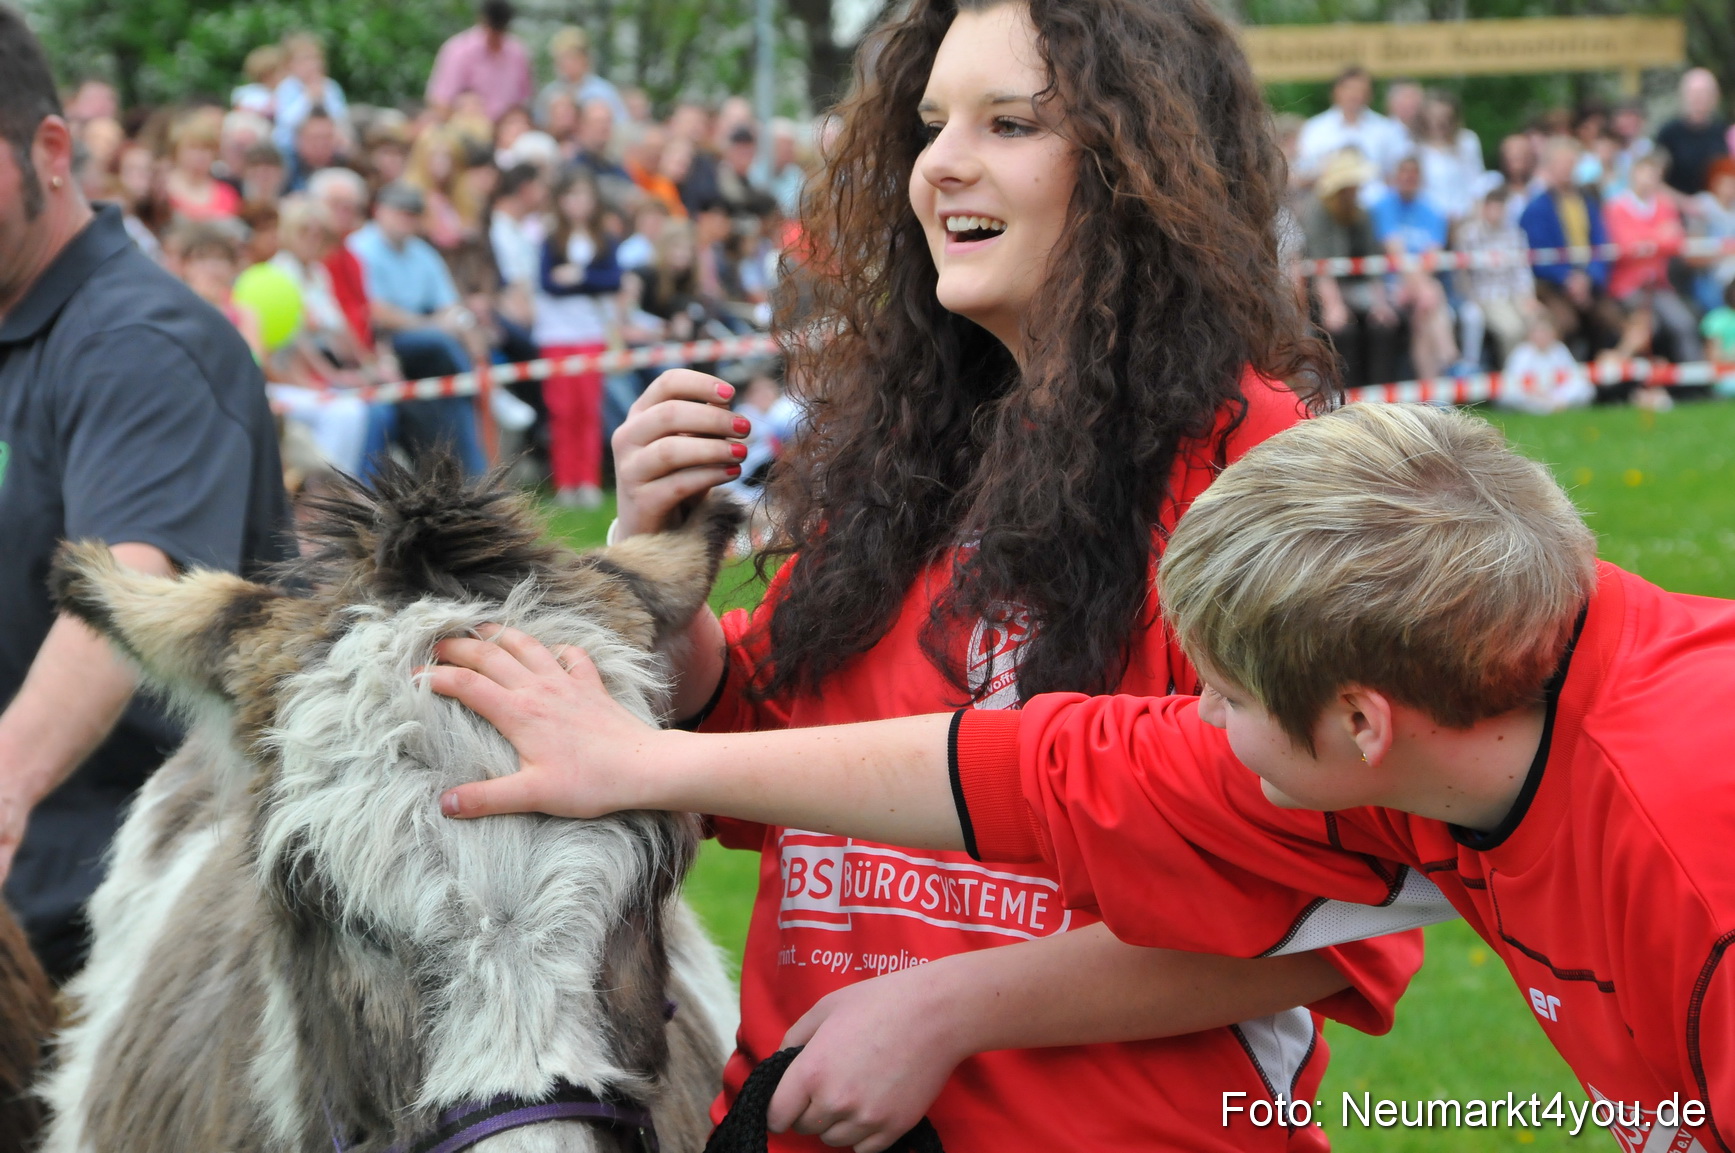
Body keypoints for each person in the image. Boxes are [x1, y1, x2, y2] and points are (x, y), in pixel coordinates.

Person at [432, 402, 1735, 1153]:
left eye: (1215, 701)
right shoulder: (1476, 694)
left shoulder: (1694, 851)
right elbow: (1037, 766)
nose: (1184, 730)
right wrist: (645, 753)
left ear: (1357, 723)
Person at [598, 3, 1425, 1151]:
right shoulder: (903, 445)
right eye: (932, 123)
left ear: (1148, 164)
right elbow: (756, 735)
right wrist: (655, 552)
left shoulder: (1263, 472)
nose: (941, 163)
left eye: (1011, 122)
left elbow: (1343, 898)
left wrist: (947, 1009)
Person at [0, 5, 290, 981]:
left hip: (109, 928)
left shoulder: (139, 346)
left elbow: (120, 593)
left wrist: (3, 786)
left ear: (49, 149)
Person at [346, 181, 488, 475]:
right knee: (443, 348)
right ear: (379, 211)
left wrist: (467, 330)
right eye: (400, 212)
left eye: (412, 214)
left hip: (425, 351)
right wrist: (433, 324)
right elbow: (374, 312)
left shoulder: (422, 252)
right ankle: (476, 384)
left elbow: (451, 304)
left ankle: (471, 473)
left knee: (453, 398)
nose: (406, 219)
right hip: (382, 344)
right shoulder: (360, 248)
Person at [534, 169, 622, 510]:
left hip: (591, 332)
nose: (578, 203)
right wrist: (589, 280)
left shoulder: (603, 238)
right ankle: (564, 481)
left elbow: (611, 280)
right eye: (571, 195)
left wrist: (580, 276)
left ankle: (588, 480)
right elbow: (548, 283)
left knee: (589, 409)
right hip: (556, 335)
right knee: (562, 410)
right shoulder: (550, 239)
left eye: (584, 195)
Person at [1302, 148, 1401, 388]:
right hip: (1325, 287)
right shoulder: (1317, 213)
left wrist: (1380, 303)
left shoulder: (1362, 213)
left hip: (1359, 286)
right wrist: (1334, 306)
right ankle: (1347, 391)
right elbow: (1321, 265)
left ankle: (1380, 391)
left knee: (1384, 324)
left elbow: (1373, 262)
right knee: (1343, 330)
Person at [1520, 137, 1622, 361]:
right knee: (1564, 322)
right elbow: (1539, 255)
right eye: (1561, 164)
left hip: (1588, 282)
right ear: (1549, 167)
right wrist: (1568, 279)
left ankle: (1603, 380)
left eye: (1570, 164)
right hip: (1552, 284)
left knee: (1612, 317)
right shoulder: (1536, 208)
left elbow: (1601, 245)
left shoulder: (1589, 203)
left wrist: (1588, 278)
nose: (1566, 170)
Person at [1603, 151, 1701, 363]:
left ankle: (1695, 381)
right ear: (1633, 174)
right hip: (1628, 285)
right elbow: (1626, 245)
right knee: (1648, 327)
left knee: (1683, 323)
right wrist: (1658, 236)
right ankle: (1636, 383)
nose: (1650, 179)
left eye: (1655, 175)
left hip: (1659, 283)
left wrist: (1646, 241)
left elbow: (1676, 241)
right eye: (1646, 173)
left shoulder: (1665, 205)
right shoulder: (1616, 207)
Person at [1369, 154, 1457, 378]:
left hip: (1419, 285)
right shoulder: (1383, 206)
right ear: (1395, 176)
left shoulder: (1432, 210)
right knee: (1431, 296)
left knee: (1424, 314)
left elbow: (1433, 255)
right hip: (1390, 284)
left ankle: (1431, 388)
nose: (1409, 178)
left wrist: (1418, 287)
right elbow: (1394, 251)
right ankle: (1450, 357)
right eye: (1404, 173)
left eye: (1414, 174)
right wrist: (1421, 287)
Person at [1454, 188, 1536, 368]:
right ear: (1484, 208)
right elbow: (1463, 274)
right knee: (1513, 329)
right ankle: (1513, 380)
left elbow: (1522, 270)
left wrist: (1528, 296)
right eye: (1493, 207)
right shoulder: (1469, 235)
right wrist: (1470, 298)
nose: (1497, 213)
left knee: (1537, 320)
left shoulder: (1515, 233)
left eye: (1500, 208)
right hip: (1486, 296)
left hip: (1514, 293)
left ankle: (1534, 374)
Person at [1295, 66, 1406, 187]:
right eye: (1349, 89)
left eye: (1360, 90)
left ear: (1369, 94)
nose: (1354, 95)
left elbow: (1400, 171)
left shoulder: (1387, 129)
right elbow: (1303, 171)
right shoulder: (1315, 129)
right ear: (1336, 91)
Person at [425, 0, 532, 123]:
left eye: (500, 30)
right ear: (482, 21)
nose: (495, 36)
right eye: (492, 30)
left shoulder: (518, 53)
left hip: (507, 133)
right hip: (467, 130)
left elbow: (524, 100)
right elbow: (440, 102)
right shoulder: (459, 51)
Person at [536, 25, 629, 129]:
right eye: (562, 58)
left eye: (571, 57)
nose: (566, 63)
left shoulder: (604, 92)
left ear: (585, 58)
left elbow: (621, 125)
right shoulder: (549, 93)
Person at [1656, 68, 1729, 197]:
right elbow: (1654, 180)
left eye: (1705, 93)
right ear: (1683, 95)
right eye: (1694, 93)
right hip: (1678, 209)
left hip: (1717, 209)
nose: (1700, 98)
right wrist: (1686, 204)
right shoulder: (1668, 133)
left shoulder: (1723, 131)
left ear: (1716, 96)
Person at [1498, 312, 1590, 413]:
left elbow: (1572, 374)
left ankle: (1555, 405)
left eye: (1545, 332)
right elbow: (1514, 379)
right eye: (1538, 332)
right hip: (1531, 394)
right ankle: (1545, 407)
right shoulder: (1522, 352)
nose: (1542, 336)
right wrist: (1536, 391)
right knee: (1510, 393)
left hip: (1555, 391)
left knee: (1584, 387)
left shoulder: (1559, 349)